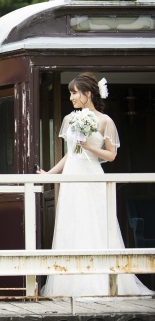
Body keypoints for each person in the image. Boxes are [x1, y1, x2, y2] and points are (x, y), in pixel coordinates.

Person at [37, 72, 153, 299]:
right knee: (71, 224)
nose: (70, 97)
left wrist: (89, 147)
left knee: (95, 223)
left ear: (87, 94)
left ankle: (102, 283)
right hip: (72, 177)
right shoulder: (70, 119)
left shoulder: (105, 121)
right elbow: (70, 154)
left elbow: (111, 155)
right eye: (70, 93)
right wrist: (49, 173)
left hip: (92, 177)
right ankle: (68, 285)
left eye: (74, 93)